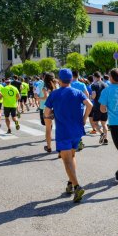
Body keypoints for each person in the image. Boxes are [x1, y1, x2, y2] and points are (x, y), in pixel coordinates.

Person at [44, 68, 92, 203]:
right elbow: (89, 105)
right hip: (77, 131)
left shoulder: (54, 94)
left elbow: (46, 113)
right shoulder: (78, 92)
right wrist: (84, 119)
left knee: (66, 160)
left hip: (63, 132)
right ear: (71, 79)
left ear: (59, 80)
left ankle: (77, 186)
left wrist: (53, 114)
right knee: (72, 156)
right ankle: (70, 183)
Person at [71, 70, 89, 151]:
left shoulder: (69, 84)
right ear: (78, 76)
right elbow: (87, 95)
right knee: (79, 123)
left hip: (69, 107)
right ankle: (79, 141)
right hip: (80, 107)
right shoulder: (82, 84)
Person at [41, 73, 58, 153]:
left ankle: (49, 147)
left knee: (48, 129)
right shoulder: (58, 85)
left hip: (48, 109)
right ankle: (60, 148)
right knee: (59, 129)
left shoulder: (44, 87)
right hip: (58, 109)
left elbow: (46, 97)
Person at [91, 72, 108, 145]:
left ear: (95, 77)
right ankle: (105, 139)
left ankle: (101, 134)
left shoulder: (94, 85)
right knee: (104, 124)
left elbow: (94, 95)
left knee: (95, 123)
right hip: (105, 106)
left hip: (97, 106)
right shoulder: (106, 85)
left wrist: (91, 97)